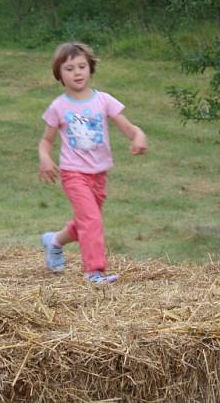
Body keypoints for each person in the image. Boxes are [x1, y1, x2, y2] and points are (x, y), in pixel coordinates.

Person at [38, 42, 148, 283]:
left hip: (99, 175)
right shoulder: (59, 106)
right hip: (73, 173)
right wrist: (45, 158)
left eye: (81, 66)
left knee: (87, 222)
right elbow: (46, 141)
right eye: (69, 68)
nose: (77, 72)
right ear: (59, 74)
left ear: (90, 69)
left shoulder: (104, 100)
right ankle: (94, 272)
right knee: (92, 220)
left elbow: (128, 127)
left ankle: (54, 241)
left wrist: (138, 136)